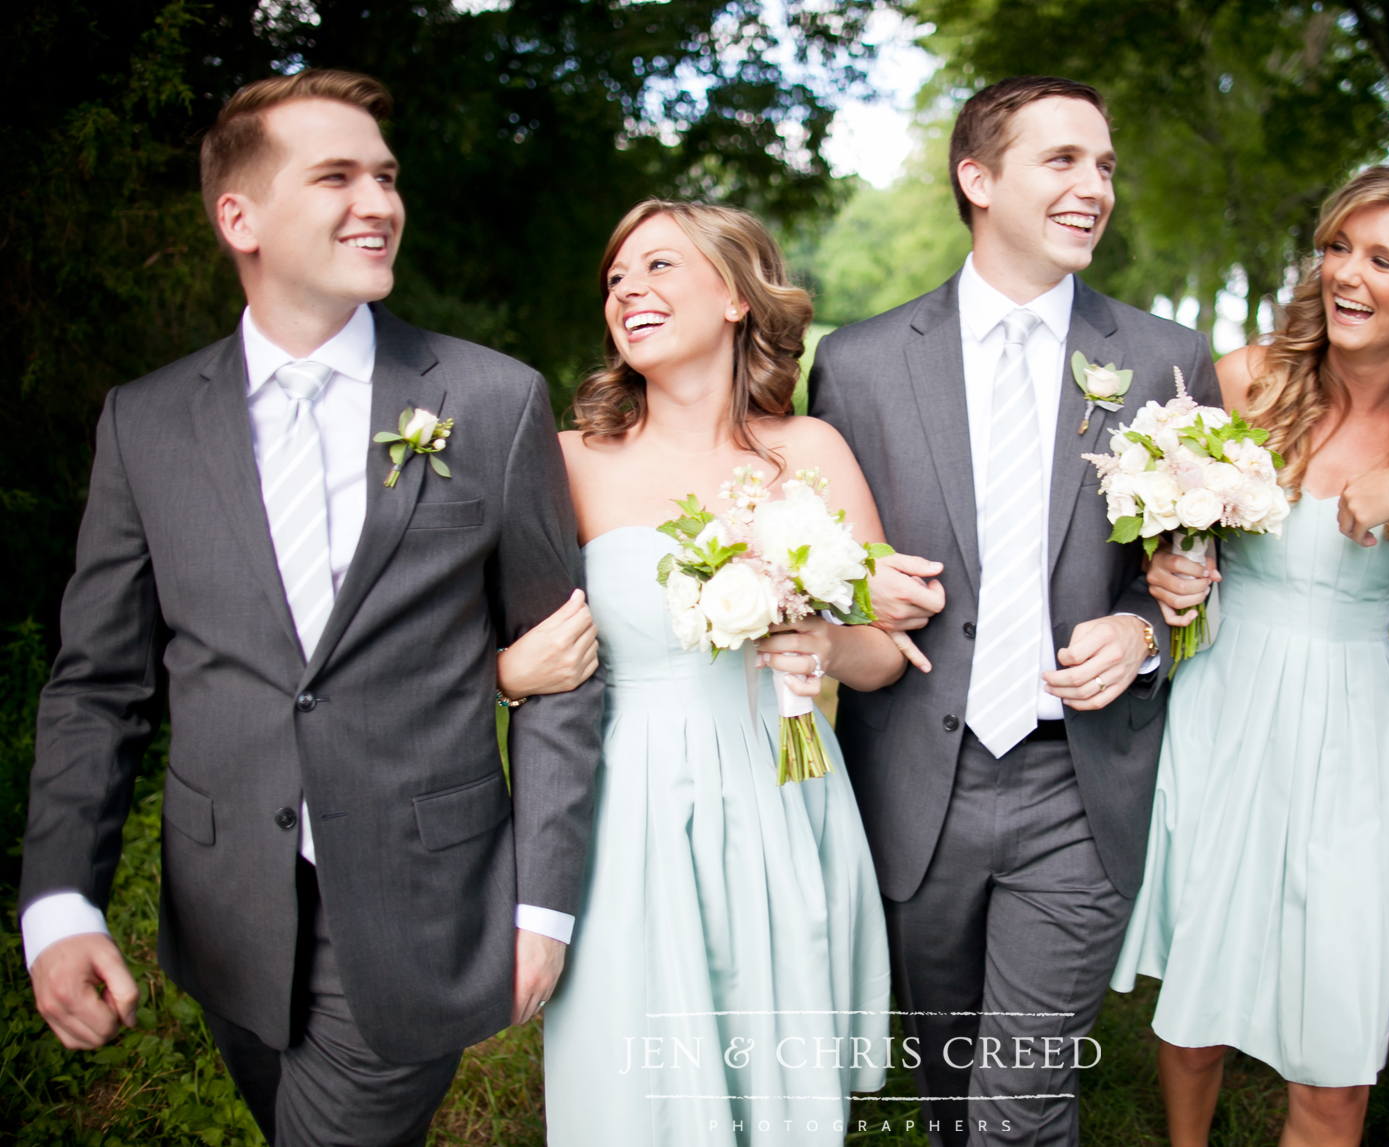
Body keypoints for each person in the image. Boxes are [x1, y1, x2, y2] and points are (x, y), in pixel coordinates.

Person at [19, 70, 603, 1146]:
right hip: (229, 916)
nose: (377, 202)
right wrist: (60, 901)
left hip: (426, 904)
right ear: (237, 216)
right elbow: (97, 686)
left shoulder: (490, 398)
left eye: (384, 176)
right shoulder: (143, 423)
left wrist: (543, 904)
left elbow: (559, 667)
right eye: (335, 176)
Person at [809, 76, 1221, 1146]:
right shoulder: (855, 365)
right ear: (978, 178)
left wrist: (1140, 627)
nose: (1094, 187)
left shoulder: (1163, 358)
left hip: (1075, 781)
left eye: (1105, 166)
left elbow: (1179, 562)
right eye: (1063, 161)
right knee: (953, 1102)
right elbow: (830, 558)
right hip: (913, 779)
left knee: (1017, 1106)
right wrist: (857, 589)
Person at [1114, 165, 1389, 1147]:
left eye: (1380, 258)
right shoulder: (1245, 380)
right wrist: (1168, 572)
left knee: (1341, 1029)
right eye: (1335, 248)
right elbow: (1166, 538)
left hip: (1359, 728)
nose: (1342, 275)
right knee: (1201, 988)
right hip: (1224, 705)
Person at [533, 200, 896, 1145]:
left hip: (780, 787)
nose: (628, 292)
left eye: (657, 267)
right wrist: (507, 667)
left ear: (736, 296)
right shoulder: (567, 462)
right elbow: (464, 640)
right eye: (616, 278)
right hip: (628, 799)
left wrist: (825, 644)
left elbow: (884, 651)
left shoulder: (808, 452)